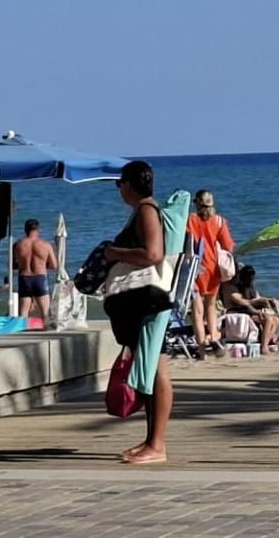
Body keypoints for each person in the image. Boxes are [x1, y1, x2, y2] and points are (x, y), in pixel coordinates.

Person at [100, 160, 189, 465]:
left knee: (158, 368)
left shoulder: (146, 211)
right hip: (148, 302)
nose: (118, 190)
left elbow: (153, 254)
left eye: (118, 184)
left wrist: (114, 253)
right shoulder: (145, 211)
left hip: (149, 301)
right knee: (152, 367)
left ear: (127, 184)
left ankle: (157, 445)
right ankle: (152, 441)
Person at [184, 190, 235, 354]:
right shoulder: (219, 221)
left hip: (194, 267)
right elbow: (229, 246)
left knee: (197, 310)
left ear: (197, 203)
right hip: (213, 268)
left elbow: (184, 240)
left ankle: (201, 348)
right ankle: (213, 337)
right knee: (211, 306)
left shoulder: (190, 219)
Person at [219, 265, 279, 350]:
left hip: (255, 311)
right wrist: (257, 303)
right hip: (244, 312)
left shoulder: (250, 288)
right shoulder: (231, 288)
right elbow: (241, 301)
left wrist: (270, 300)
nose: (251, 280)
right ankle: (264, 346)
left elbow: (258, 298)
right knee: (270, 319)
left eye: (252, 278)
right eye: (249, 277)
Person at [11, 219, 57, 327]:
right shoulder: (46, 245)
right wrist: (41, 265)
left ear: (25, 230)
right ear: (38, 229)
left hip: (24, 278)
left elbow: (12, 265)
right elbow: (54, 265)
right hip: (40, 278)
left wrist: (24, 264)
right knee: (45, 315)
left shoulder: (17, 245)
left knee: (23, 314)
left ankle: (22, 337)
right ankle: (44, 334)